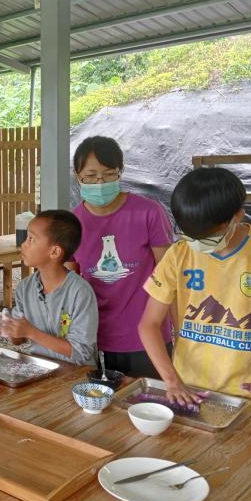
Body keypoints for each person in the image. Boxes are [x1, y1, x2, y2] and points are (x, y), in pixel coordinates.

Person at [138, 168, 251, 414]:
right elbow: (149, 325)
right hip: (189, 391)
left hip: (246, 398)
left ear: (237, 216)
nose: (197, 244)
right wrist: (172, 380)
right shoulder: (179, 254)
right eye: (190, 235)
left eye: (209, 237)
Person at [70, 136, 174, 377]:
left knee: (148, 408)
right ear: (77, 175)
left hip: (147, 337)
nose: (100, 182)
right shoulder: (73, 223)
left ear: (120, 172)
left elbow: (169, 274)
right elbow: (68, 282)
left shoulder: (148, 212)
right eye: (91, 176)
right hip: (94, 337)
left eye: (108, 174)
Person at [0, 210, 98, 366]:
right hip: (40, 370)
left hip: (76, 377)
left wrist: (31, 332)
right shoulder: (25, 288)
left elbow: (81, 353)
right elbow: (19, 340)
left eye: (31, 239)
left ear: (54, 252)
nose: (23, 245)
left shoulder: (80, 292)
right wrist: (10, 329)